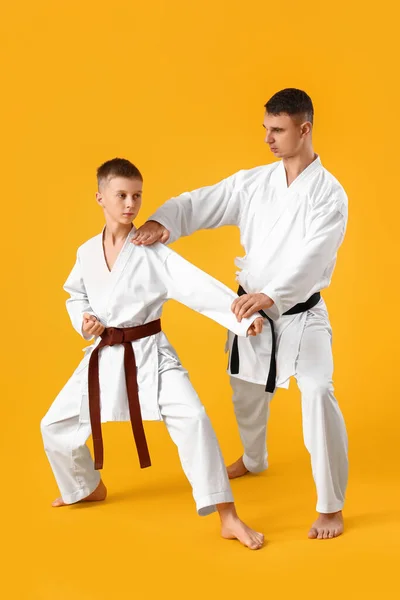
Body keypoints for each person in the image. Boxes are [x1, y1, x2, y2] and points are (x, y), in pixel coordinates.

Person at [132, 88, 349, 540]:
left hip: (301, 313)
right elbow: (200, 202)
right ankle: (253, 459)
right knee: (244, 392)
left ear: (304, 129)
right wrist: (163, 222)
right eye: (265, 129)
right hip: (250, 309)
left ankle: (330, 507)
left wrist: (273, 294)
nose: (268, 139)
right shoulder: (254, 183)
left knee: (317, 394)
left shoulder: (329, 195)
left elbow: (314, 257)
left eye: (278, 130)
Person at [41, 158, 265, 550]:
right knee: (54, 426)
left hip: (149, 356)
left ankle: (228, 516)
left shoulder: (151, 251)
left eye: (137, 196)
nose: (131, 204)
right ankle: (84, 487)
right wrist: (85, 319)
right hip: (104, 354)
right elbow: (75, 294)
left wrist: (243, 318)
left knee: (194, 419)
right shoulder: (86, 252)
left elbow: (196, 287)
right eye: (122, 195)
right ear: (100, 197)